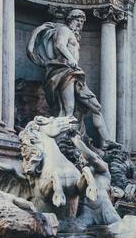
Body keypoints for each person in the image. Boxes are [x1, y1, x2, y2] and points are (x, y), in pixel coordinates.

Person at [27, 9, 115, 149]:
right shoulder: (64, 30)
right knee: (69, 109)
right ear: (71, 19)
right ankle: (66, 142)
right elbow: (60, 45)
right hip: (64, 71)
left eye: (82, 22)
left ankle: (108, 142)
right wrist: (71, 59)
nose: (80, 24)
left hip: (75, 73)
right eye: (78, 21)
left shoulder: (74, 36)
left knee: (96, 107)